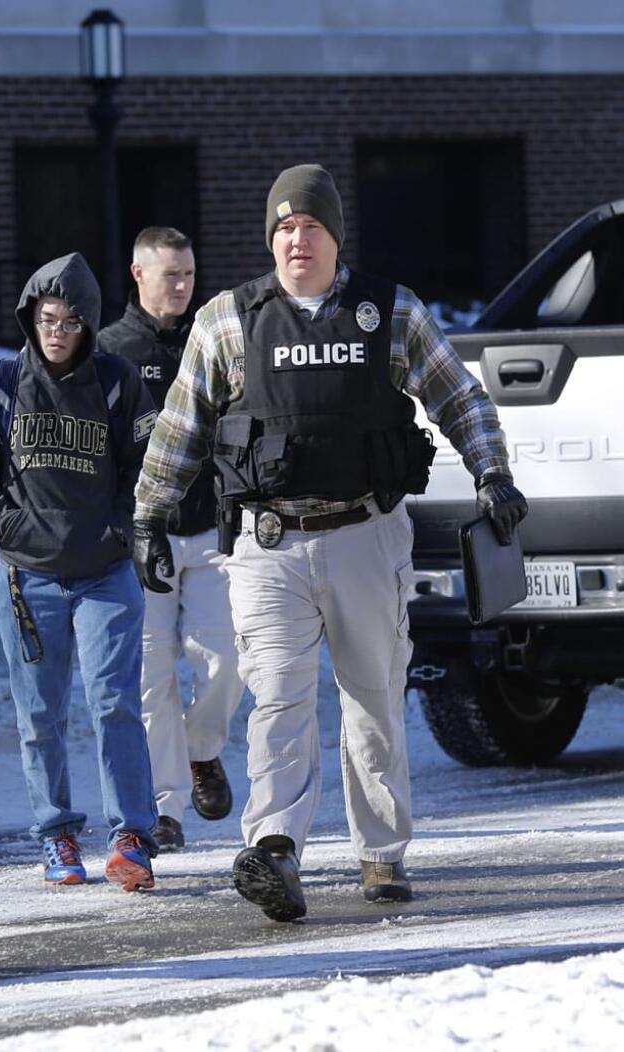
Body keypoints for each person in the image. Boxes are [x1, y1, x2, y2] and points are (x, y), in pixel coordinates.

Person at [133, 164, 527, 920]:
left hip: (366, 535)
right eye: (283, 227)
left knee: (373, 697)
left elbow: (459, 395)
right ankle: (275, 849)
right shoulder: (228, 319)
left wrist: (492, 472)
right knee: (276, 698)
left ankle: (381, 854)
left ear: (335, 237)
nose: (295, 238)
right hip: (268, 544)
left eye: (310, 225)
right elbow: (182, 426)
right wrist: (150, 516)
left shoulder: (392, 312)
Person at [0, 251, 160, 892]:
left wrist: (119, 529)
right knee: (39, 714)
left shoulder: (117, 381)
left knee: (113, 703)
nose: (56, 331)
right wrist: (11, 531)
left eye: (69, 321)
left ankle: (132, 835)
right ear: (31, 319)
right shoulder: (0, 383)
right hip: (27, 580)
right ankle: (56, 833)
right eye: (46, 318)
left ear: (88, 325)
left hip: (105, 573)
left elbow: (145, 467)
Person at [99, 226, 244, 852]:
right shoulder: (109, 350)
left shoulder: (214, 337)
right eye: (170, 276)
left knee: (227, 660)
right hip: (142, 535)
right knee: (150, 676)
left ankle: (203, 751)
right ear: (138, 275)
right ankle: (166, 810)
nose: (183, 286)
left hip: (214, 526)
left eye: (188, 274)